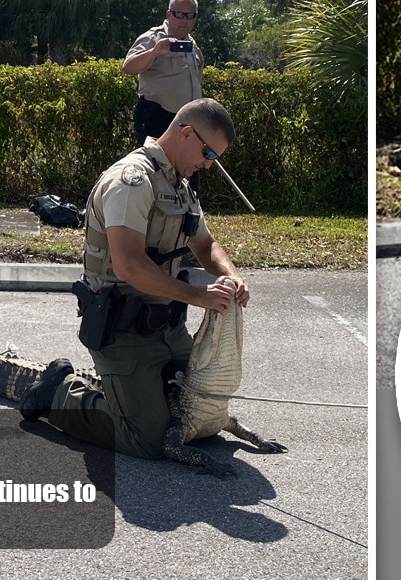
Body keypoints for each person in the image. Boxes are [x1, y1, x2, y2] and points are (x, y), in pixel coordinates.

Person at [19, 98, 249, 462]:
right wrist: (199, 296)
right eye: (209, 153)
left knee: (197, 414)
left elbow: (206, 245)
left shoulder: (181, 186)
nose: (208, 163)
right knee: (150, 438)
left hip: (167, 331)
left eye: (214, 158)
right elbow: (128, 266)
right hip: (122, 331)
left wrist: (232, 276)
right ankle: (59, 392)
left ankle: (131, 394)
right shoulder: (132, 181)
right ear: (187, 133)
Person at [123, 0, 204, 147]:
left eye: (190, 15)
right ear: (169, 14)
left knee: (187, 170)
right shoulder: (153, 37)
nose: (185, 20)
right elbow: (128, 67)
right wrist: (154, 52)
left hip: (187, 122)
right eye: (180, 14)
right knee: (160, 169)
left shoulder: (192, 44)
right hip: (157, 119)